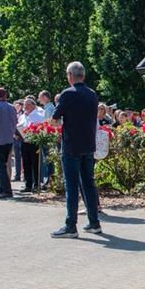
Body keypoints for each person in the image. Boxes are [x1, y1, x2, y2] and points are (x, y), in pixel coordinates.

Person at [50, 61, 100, 238]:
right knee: (88, 183)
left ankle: (71, 225)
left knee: (71, 186)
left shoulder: (67, 94)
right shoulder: (92, 94)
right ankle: (94, 222)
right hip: (88, 144)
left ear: (70, 76)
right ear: (83, 76)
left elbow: (55, 118)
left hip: (71, 145)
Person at [17, 97, 45, 193]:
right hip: (24, 142)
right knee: (26, 164)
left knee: (35, 163)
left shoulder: (38, 115)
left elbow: (42, 127)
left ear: (33, 105)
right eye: (25, 104)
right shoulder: (22, 116)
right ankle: (28, 184)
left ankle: (37, 184)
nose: (26, 106)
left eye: (28, 104)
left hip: (34, 142)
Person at [12, 99, 24, 182]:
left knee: (23, 157)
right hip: (14, 137)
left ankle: (24, 174)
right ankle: (17, 175)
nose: (16, 107)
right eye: (15, 106)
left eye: (18, 105)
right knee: (17, 157)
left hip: (22, 138)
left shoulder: (24, 115)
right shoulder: (12, 114)